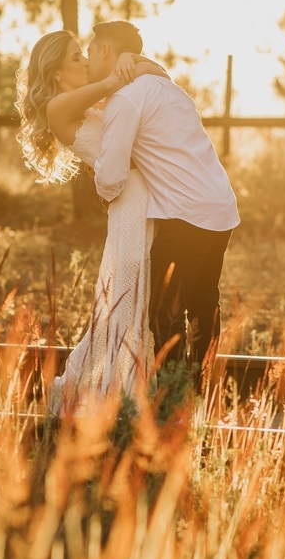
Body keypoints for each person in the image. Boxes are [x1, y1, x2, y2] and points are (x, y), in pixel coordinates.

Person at [16, 30, 167, 414]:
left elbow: (156, 74)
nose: (84, 60)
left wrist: (134, 61)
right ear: (54, 73)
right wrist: (123, 65)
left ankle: (120, 397)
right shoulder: (58, 108)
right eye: (74, 58)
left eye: (83, 54)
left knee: (134, 301)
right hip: (131, 205)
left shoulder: (90, 100)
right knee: (126, 300)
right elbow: (117, 82)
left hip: (145, 199)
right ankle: (105, 400)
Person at [87, 20, 239, 374]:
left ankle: (172, 398)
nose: (88, 58)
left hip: (186, 214)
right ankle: (198, 388)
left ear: (107, 51)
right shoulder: (168, 87)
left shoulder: (125, 98)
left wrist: (104, 194)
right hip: (220, 207)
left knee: (162, 311)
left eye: (91, 52)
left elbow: (110, 176)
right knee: (203, 304)